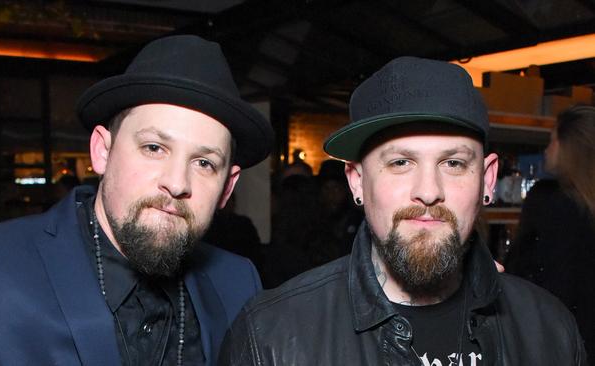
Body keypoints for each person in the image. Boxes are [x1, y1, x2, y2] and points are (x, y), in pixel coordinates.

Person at [218, 57, 588, 365]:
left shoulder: (549, 330)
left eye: (454, 164)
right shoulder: (271, 337)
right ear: (357, 181)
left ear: (488, 180)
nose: (428, 191)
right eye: (400, 162)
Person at [0, 35, 274, 366]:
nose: (176, 183)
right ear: (102, 151)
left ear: (228, 187)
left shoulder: (237, 283)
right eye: (154, 148)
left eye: (204, 163)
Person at [506, 104, 595, 358]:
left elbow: (523, 273)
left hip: (553, 337)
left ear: (570, 147)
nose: (546, 150)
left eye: (552, 141)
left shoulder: (548, 199)